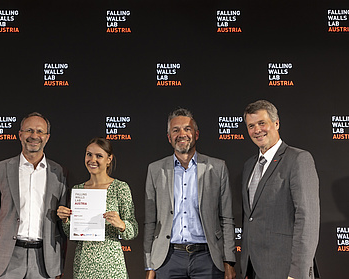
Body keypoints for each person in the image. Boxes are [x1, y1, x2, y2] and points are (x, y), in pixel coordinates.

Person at [144, 108, 236, 279]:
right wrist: (150, 264)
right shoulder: (155, 170)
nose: (182, 134)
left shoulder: (217, 168)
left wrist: (229, 261)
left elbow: (227, 219)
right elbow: (150, 222)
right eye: (175, 130)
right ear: (169, 137)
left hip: (208, 259)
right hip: (168, 259)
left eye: (187, 129)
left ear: (196, 134)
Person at [0, 112, 67, 279]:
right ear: (20, 135)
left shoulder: (59, 172)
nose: (34, 136)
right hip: (6, 258)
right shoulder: (0, 169)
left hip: (44, 261)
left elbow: (62, 220)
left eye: (40, 131)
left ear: (47, 137)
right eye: (29, 130)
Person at [241, 100, 320, 279]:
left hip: (285, 269)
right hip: (253, 269)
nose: (257, 130)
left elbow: (307, 220)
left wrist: (298, 272)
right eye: (251, 126)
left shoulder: (298, 159)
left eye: (262, 123)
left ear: (276, 123)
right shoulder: (248, 166)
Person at [57, 137, 138, 279]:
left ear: (109, 159)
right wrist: (65, 220)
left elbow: (133, 231)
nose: (92, 160)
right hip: (83, 263)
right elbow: (72, 234)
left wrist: (122, 225)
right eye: (89, 154)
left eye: (99, 156)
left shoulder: (120, 188)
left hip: (111, 264)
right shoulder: (78, 189)